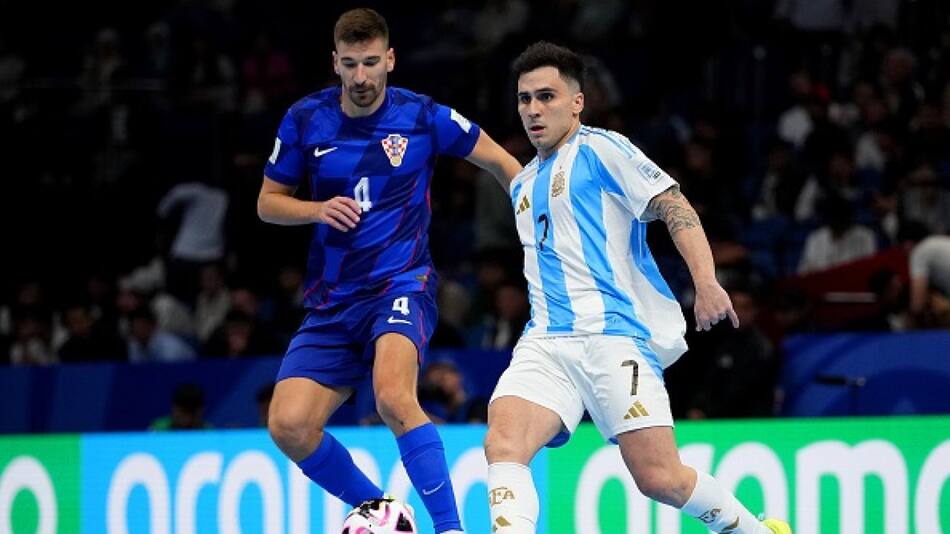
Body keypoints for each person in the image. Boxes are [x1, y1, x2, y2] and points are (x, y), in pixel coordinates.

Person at [483, 42, 791, 534]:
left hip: (612, 339)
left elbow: (675, 206)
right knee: (503, 442)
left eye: (547, 96)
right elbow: (492, 160)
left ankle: (753, 530)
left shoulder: (603, 149)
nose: (534, 110)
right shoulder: (524, 184)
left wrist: (706, 281)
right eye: (524, 99)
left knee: (660, 478)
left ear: (577, 102)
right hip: (545, 342)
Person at [258, 9, 521, 534]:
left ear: (390, 59)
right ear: (335, 62)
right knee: (288, 426)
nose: (360, 77)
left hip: (402, 284)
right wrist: (314, 208)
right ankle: (384, 513)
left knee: (394, 396)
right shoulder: (305, 119)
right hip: (332, 300)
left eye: (371, 63)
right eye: (350, 64)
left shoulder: (422, 116)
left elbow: (498, 160)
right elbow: (267, 203)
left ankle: (450, 528)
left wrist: (536, 209)